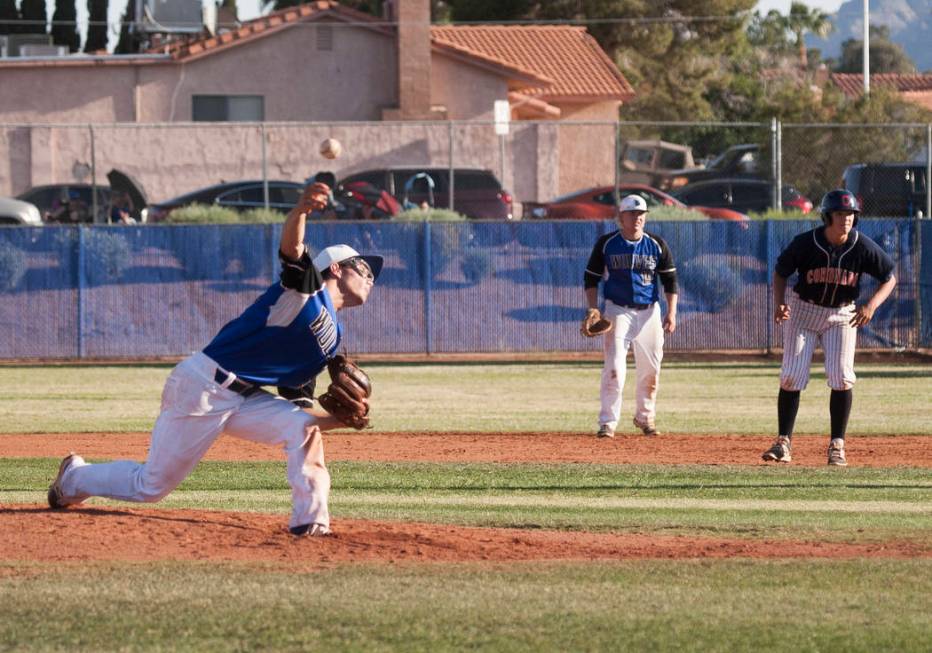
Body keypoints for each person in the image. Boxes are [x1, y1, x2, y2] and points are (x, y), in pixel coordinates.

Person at [46, 181, 384, 536]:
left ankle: (310, 521)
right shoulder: (306, 290)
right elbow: (292, 247)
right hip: (203, 385)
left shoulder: (333, 343)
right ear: (334, 268)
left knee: (305, 432)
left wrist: (341, 419)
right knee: (151, 486)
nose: (371, 277)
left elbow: (298, 408)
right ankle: (74, 478)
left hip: (245, 399)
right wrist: (300, 210)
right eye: (363, 268)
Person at [762, 189, 896, 466]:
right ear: (827, 217)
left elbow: (889, 277)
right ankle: (783, 443)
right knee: (791, 376)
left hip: (841, 313)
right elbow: (780, 272)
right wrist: (779, 303)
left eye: (850, 214)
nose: (845, 219)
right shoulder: (806, 243)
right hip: (804, 310)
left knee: (842, 377)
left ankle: (837, 446)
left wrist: (871, 306)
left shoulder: (862, 246)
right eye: (840, 214)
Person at [582, 194, 678, 438]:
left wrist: (671, 312)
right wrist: (593, 308)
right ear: (620, 217)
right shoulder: (607, 244)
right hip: (618, 311)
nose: (637, 218)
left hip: (649, 313)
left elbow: (670, 280)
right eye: (631, 213)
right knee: (614, 367)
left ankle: (645, 418)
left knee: (651, 370)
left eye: (641, 214)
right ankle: (608, 423)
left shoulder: (656, 244)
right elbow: (590, 278)